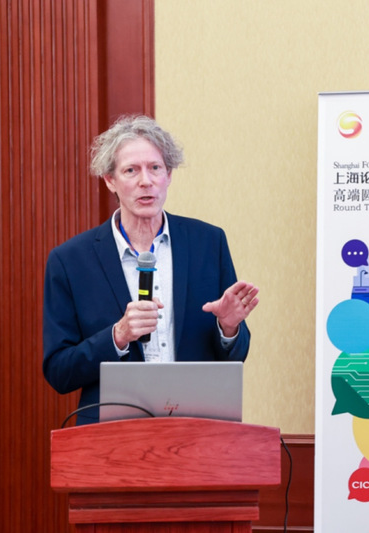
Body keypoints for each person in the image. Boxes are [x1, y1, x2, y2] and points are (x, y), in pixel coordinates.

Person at [43, 115, 258, 425]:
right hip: (112, 435)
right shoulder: (70, 260)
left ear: (168, 175)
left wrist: (228, 328)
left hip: (197, 428)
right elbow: (59, 372)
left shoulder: (209, 243)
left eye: (155, 168)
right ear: (110, 180)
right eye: (131, 170)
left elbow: (235, 357)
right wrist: (117, 336)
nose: (146, 181)